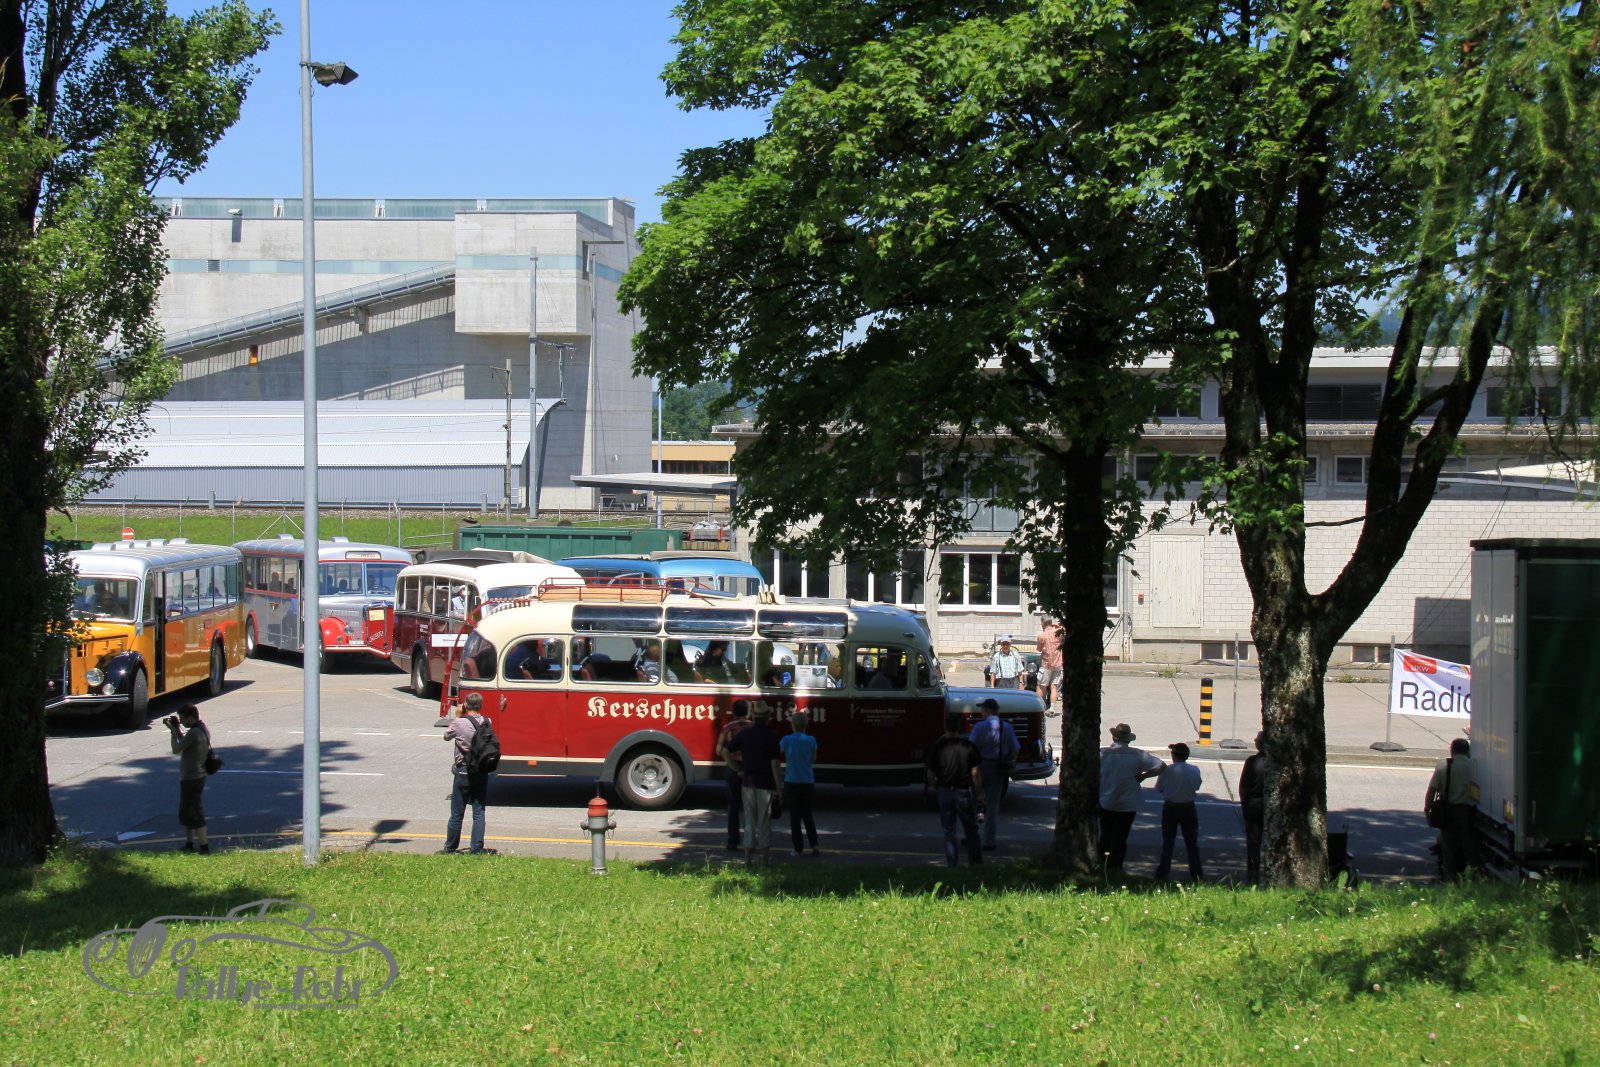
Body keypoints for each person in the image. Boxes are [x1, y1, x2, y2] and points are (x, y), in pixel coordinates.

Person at [1098, 722, 1164, 874]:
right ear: (1128, 739)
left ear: (1113, 737)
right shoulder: (1137, 755)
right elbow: (1161, 766)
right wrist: (1143, 776)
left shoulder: (1103, 754)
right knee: (1121, 837)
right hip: (1128, 802)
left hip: (1106, 799)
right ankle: (1116, 866)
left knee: (1106, 834)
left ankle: (1102, 864)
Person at [925, 710, 984, 867]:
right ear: (958, 727)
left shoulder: (937, 747)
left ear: (945, 727)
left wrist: (937, 787)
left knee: (949, 831)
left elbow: (930, 775)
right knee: (971, 829)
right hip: (962, 791)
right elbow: (976, 773)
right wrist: (979, 795)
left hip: (944, 790)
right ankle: (976, 863)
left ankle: (952, 863)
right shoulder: (968, 747)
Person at [728, 705, 783, 865]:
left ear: (753, 716)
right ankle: (764, 860)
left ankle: (747, 859)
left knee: (749, 821)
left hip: (748, 782)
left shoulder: (745, 734)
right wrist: (778, 787)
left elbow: (725, 751)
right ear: (767, 718)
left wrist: (737, 769)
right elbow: (775, 764)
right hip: (766, 784)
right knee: (764, 822)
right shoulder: (772, 736)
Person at [442, 692, 496, 855]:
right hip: (480, 770)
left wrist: (458, 717)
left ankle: (450, 847)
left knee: (457, 813)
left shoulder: (459, 723)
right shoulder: (487, 721)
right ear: (481, 705)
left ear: (465, 705)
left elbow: (446, 736)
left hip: (463, 769)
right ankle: (476, 848)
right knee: (479, 811)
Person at [967, 697, 1019, 851]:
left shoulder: (979, 727)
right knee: (993, 805)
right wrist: (1010, 762)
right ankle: (989, 841)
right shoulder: (1006, 727)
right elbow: (1015, 749)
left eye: (982, 709)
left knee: (974, 801)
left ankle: (970, 836)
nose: (981, 712)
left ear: (987, 711)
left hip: (980, 766)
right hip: (997, 767)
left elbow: (971, 748)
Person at [1425, 736, 1479, 882]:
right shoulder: (1474, 766)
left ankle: (1449, 881)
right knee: (1469, 849)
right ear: (1467, 751)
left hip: (1449, 812)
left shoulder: (1444, 765)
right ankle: (1470, 881)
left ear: (1452, 750)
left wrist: (1427, 809)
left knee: (1449, 851)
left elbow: (1432, 790)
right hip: (1468, 812)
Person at [1153, 742, 1204, 882]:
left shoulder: (1167, 770)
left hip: (1170, 807)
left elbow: (1159, 788)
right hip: (1188, 807)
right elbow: (1197, 785)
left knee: (1168, 842)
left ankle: (1162, 873)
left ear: (1174, 755)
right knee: (1192, 843)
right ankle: (1197, 874)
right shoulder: (1194, 769)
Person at [166, 704, 211, 854]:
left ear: (190, 718)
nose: (181, 722)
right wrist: (177, 729)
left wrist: (173, 732)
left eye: (182, 719)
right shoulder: (201, 728)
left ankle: (204, 847)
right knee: (188, 812)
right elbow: (185, 742)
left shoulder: (194, 733)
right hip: (196, 776)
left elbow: (176, 749)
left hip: (191, 778)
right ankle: (189, 843)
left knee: (195, 812)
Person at [780, 710, 820, 855]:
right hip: (807, 781)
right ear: (806, 725)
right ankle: (814, 845)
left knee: (794, 817)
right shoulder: (811, 740)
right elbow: (813, 759)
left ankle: (798, 848)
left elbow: (777, 752)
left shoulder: (786, 739)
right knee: (807, 814)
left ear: (792, 725)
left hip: (791, 782)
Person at [715, 700, 753, 851]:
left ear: (734, 712)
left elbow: (719, 750)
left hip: (732, 767)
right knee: (750, 806)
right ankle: (749, 840)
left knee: (733, 806)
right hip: (749, 767)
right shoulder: (753, 727)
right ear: (748, 712)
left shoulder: (728, 727)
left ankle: (732, 841)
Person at [1238, 732, 1266, 885]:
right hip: (1269, 806)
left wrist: (1244, 803)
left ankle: (1253, 874)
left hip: (1253, 806)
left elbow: (1244, 786)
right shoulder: (1276, 763)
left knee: (1253, 843)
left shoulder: (1252, 762)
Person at [1035, 617, 1064, 710]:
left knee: (1041, 686)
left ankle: (1040, 706)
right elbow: (1065, 629)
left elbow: (1039, 649)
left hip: (1046, 664)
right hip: (1057, 664)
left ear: (1042, 623)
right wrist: (1058, 626)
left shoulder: (1041, 636)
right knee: (1054, 687)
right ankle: (1052, 708)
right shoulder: (1059, 632)